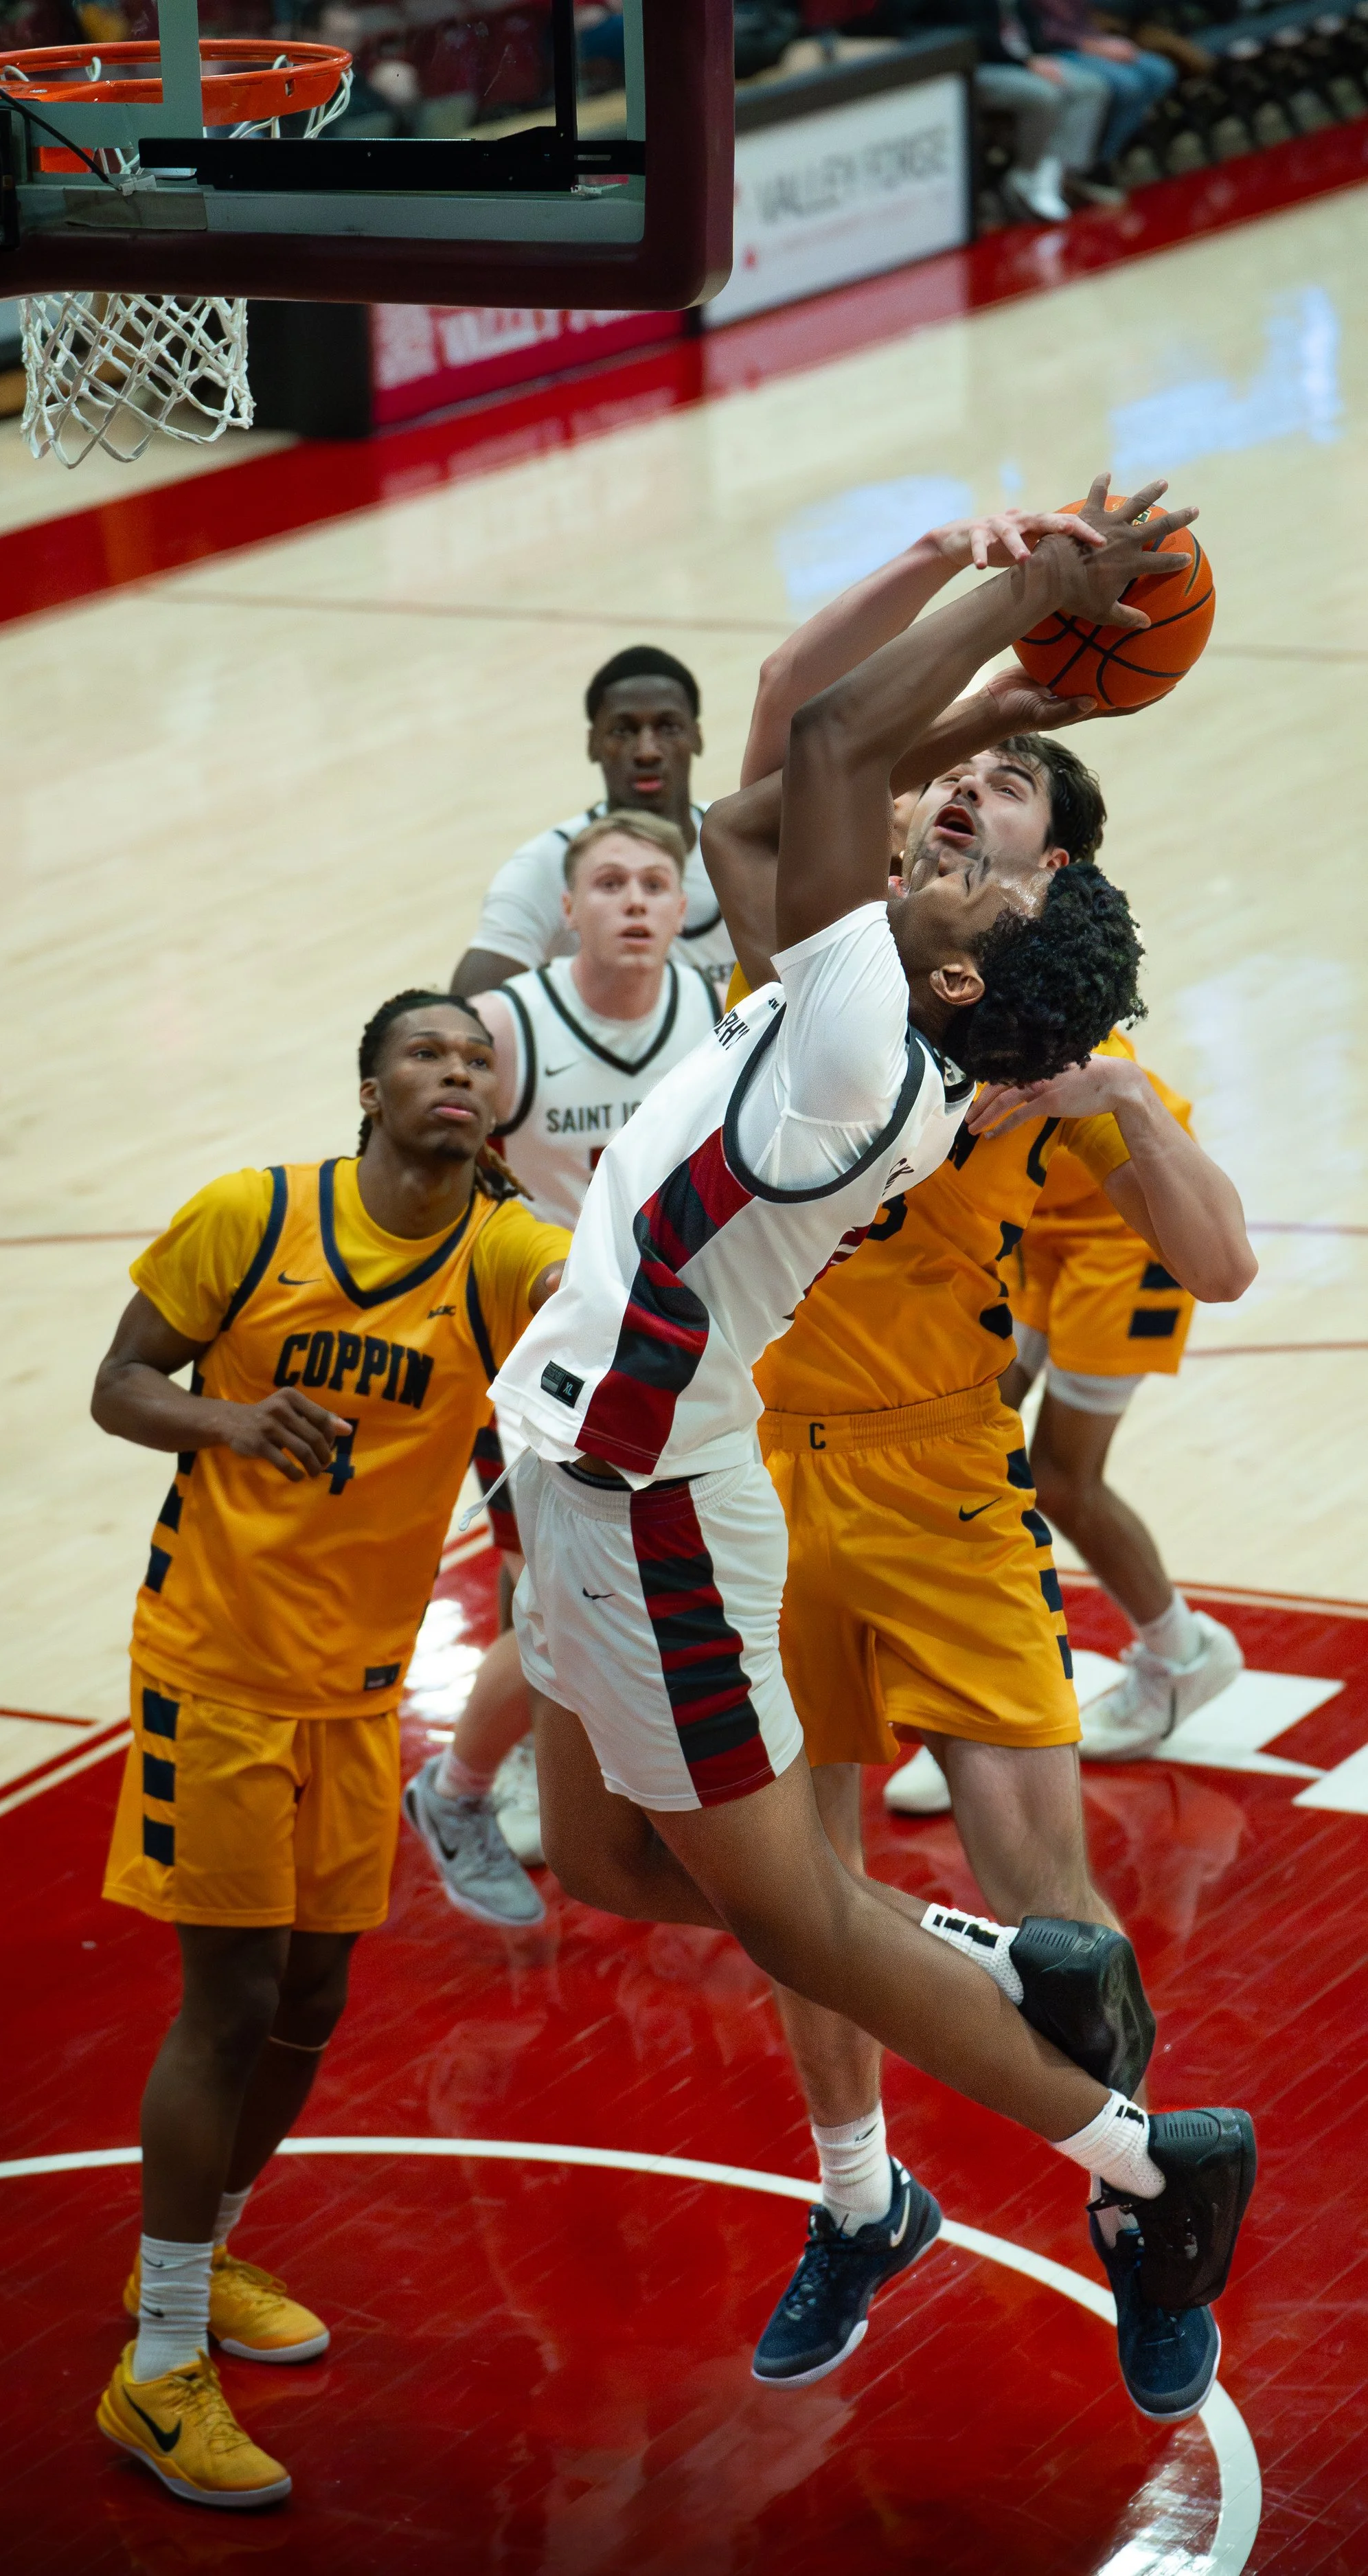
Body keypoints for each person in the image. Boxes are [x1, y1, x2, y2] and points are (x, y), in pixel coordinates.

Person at [488, 479, 1256, 2413]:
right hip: (686, 1459)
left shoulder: (857, 1019)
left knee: (814, 1901)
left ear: (972, 968)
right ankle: (966, 2030)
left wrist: (1022, 604)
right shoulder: (875, 996)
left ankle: (1140, 2164)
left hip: (728, 1482)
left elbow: (817, 746)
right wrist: (981, 627)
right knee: (616, 1858)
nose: (949, 823)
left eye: (989, 845)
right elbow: (798, 762)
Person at [730, 701, 1253, 2419]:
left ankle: (1147, 2197)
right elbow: (800, 739)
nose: (968, 781)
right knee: (793, 1902)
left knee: (1059, 1907)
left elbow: (1222, 1256)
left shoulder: (1051, 1037)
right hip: (748, 1467)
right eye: (961, 765)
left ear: (1059, 866)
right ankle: (862, 2201)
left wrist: (1110, 1091)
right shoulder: (835, 942)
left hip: (941, 1467)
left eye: (1012, 779)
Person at [89, 990, 567, 2511]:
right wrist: (228, 1426)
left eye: (477, 1061)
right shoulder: (250, 1216)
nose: (456, 1072)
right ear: (368, 1088)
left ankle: (205, 2252)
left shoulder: (497, 1257)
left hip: (356, 1689)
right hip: (215, 1669)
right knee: (224, 2001)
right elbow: (117, 1386)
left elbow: (614, 1321)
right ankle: (157, 2368)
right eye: (427, 1053)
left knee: (310, 1996)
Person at [404, 811, 719, 1930]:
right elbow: (422, 1162)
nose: (635, 901)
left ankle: (529, 1775)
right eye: (610, 884)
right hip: (540, 1354)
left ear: (684, 911)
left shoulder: (714, 1018)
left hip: (680, 1350)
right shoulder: (509, 1025)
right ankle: (462, 1788)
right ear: (569, 909)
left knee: (604, 1590)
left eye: (655, 884)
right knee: (556, 1593)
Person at [996, 1078, 1244, 1759]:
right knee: (964, 1442)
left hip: (1128, 1226)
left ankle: (1182, 1657)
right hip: (1029, 1216)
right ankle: (979, 1708)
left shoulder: (1072, 1036)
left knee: (1059, 1478)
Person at [451, 646, 736, 1003]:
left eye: (667, 727)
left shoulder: (743, 840)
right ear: (593, 744)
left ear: (696, 737)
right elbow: (469, 1007)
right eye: (623, 731)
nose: (647, 750)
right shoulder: (548, 863)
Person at [915, 0, 1111, 221]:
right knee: (1044, 95)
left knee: (1091, 88)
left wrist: (1038, 55)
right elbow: (974, 38)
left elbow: (1029, 23)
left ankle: (1054, 175)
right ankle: (1025, 176)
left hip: (1023, 60)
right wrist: (1026, 62)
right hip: (981, 65)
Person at [1026, 0, 1178, 170]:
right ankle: (1090, 165)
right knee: (1128, 85)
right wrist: (1092, 45)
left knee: (1161, 72)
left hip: (1093, 38)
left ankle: (1111, 151)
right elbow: (1038, 28)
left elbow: (1086, 18)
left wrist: (1106, 40)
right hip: (1056, 49)